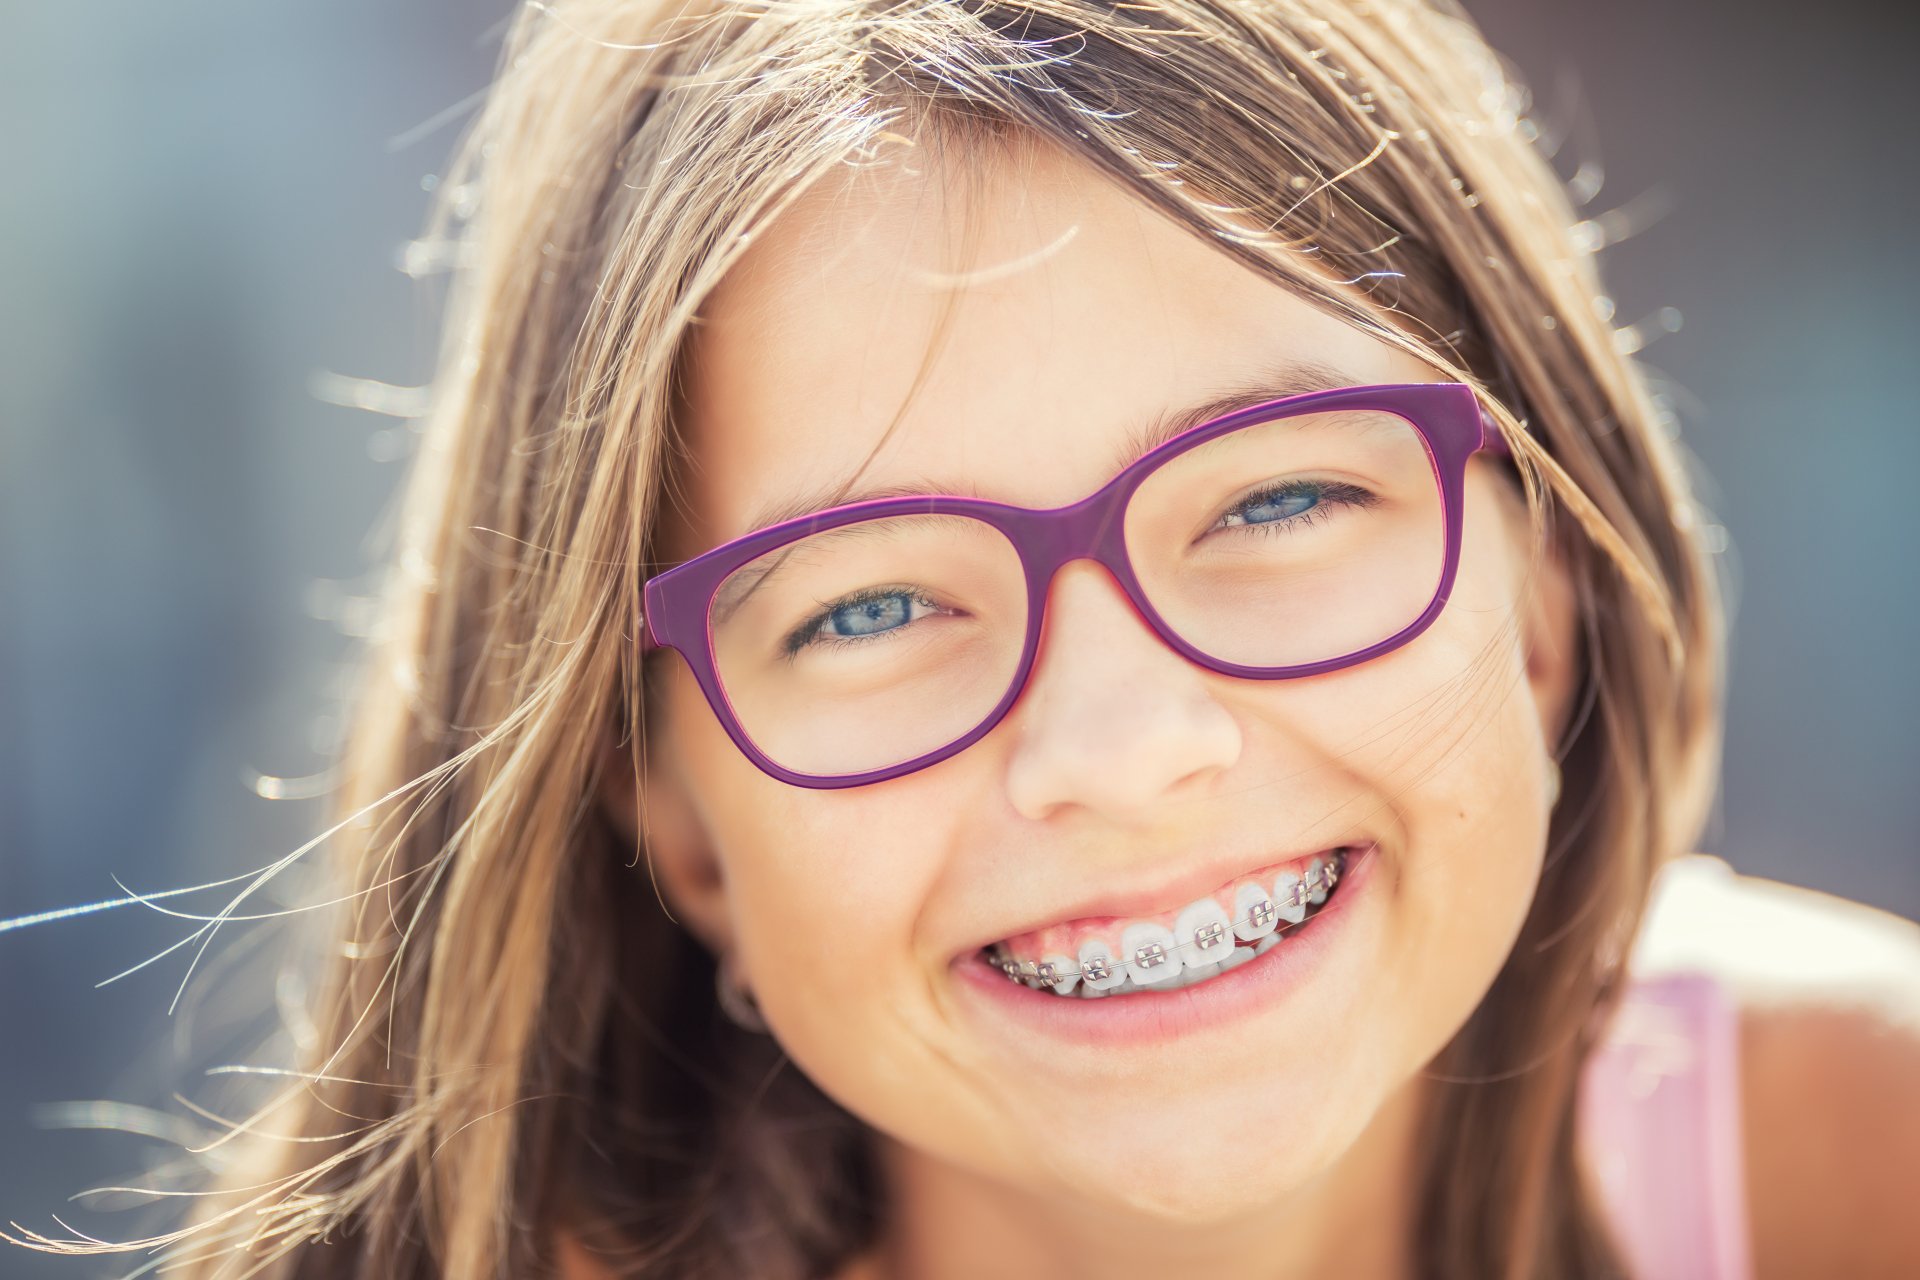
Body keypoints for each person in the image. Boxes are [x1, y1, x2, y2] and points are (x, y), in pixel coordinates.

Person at [10, 1, 1918, 1276]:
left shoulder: (1856, 1155)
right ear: (675, 821)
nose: (1121, 748)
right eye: (870, 605)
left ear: (1544, 599)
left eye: (1277, 502)